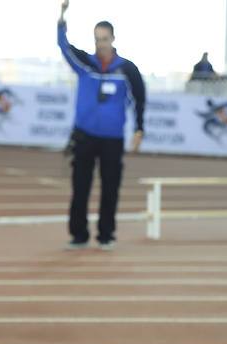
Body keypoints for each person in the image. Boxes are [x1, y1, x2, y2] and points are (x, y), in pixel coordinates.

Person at [58, 0, 145, 250]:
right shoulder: (84, 63)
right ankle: (79, 235)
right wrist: (62, 17)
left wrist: (139, 129)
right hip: (84, 136)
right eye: (97, 39)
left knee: (110, 188)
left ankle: (106, 235)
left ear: (113, 38)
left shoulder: (128, 70)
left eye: (105, 39)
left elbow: (140, 99)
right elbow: (63, 45)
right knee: (80, 187)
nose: (101, 44)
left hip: (112, 139)